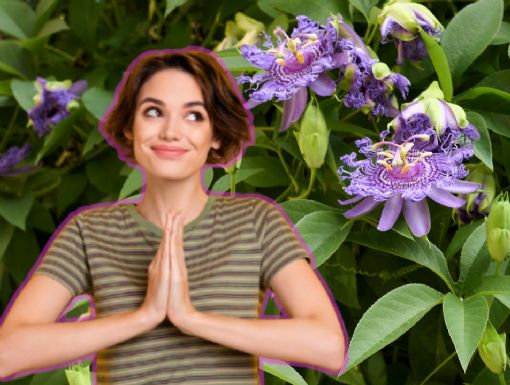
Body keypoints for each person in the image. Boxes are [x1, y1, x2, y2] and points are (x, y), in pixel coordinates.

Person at [0, 46, 347, 384]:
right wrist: (144, 316)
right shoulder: (88, 232)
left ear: (216, 134)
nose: (170, 131)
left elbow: (328, 346)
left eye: (194, 115)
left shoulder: (258, 221)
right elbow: (7, 354)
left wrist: (190, 318)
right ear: (128, 127)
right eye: (153, 112)